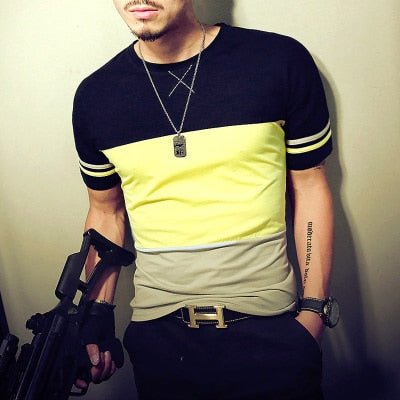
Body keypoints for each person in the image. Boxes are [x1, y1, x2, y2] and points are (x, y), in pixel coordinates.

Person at [72, 1, 338, 399]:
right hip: (159, 344)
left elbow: (311, 187)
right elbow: (106, 212)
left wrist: (314, 312)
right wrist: (96, 315)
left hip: (272, 332)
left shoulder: (279, 61)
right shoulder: (95, 97)